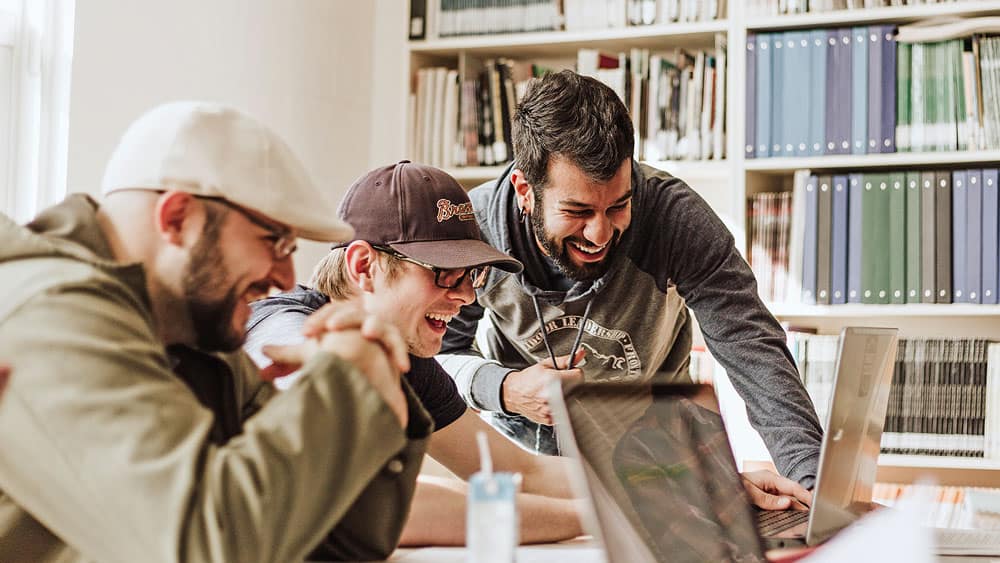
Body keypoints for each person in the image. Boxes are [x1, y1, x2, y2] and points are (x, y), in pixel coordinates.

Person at [0, 102, 431, 562]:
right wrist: (347, 383)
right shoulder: (54, 314)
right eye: (276, 241)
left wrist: (378, 384)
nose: (287, 278)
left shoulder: (195, 334)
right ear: (177, 218)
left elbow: (337, 544)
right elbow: (206, 547)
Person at [438, 69, 825, 493]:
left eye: (618, 206)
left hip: (657, 465)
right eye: (577, 211)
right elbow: (436, 358)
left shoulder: (676, 219)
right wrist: (504, 388)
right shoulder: (475, 234)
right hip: (526, 470)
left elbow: (753, 350)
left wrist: (812, 486)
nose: (600, 234)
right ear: (525, 190)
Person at [245, 161, 586, 545]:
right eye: (445, 272)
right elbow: (372, 505)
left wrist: (644, 486)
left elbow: (519, 471)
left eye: (471, 275)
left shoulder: (407, 361)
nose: (467, 296)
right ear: (364, 266)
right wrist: (595, 517)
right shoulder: (282, 330)